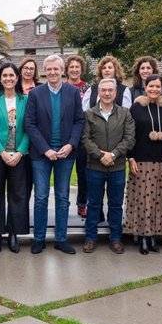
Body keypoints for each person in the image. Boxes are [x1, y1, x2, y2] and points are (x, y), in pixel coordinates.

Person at [25, 54, 85, 254]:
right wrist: (46, 149)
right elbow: (30, 124)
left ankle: (60, 239)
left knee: (62, 196)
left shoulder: (73, 93)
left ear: (62, 71)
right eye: (48, 69)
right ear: (44, 71)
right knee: (41, 197)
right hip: (41, 154)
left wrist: (71, 144)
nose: (52, 72)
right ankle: (39, 239)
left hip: (65, 154)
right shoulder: (35, 94)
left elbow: (79, 121)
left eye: (56, 69)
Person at [81, 78, 135, 254]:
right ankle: (90, 238)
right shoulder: (89, 114)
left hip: (117, 166)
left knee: (115, 205)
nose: (106, 93)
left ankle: (116, 239)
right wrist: (100, 155)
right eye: (103, 90)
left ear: (115, 93)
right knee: (94, 204)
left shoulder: (125, 113)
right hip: (94, 167)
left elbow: (129, 139)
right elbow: (85, 139)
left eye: (110, 90)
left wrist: (112, 154)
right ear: (98, 93)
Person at [0, 63, 31, 254]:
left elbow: (30, 127)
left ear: (17, 78)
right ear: (0, 79)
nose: (8, 79)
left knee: (17, 195)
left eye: (11, 75)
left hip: (20, 154)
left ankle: (13, 233)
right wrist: (2, 152)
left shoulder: (26, 99)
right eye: (4, 76)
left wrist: (19, 152)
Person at [125, 74, 162, 254]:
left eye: (158, 87)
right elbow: (130, 135)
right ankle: (143, 236)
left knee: (158, 200)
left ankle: (154, 235)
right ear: (145, 87)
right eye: (151, 86)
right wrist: (130, 158)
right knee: (143, 200)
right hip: (141, 160)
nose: (154, 89)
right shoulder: (136, 108)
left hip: (161, 161)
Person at [66, 55, 91, 219]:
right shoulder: (60, 87)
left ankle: (82, 204)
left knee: (83, 174)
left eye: (77, 67)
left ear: (81, 70)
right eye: (71, 67)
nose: (74, 69)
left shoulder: (88, 88)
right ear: (67, 69)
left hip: (83, 137)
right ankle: (63, 204)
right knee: (64, 175)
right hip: (64, 137)